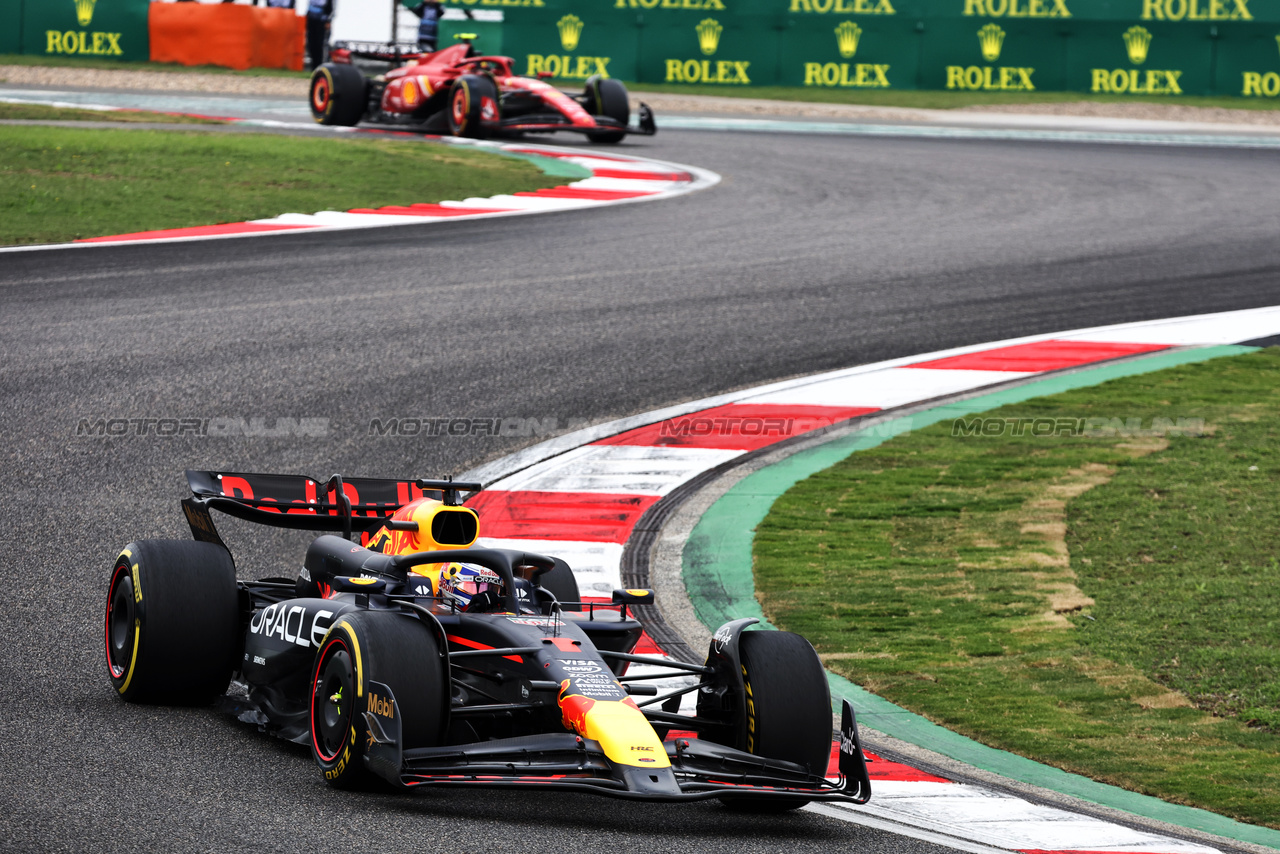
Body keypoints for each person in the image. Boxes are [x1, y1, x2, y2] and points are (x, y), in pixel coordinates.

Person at [306, 0, 334, 69]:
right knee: (311, 43)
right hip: (311, 19)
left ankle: (321, 66)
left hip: (322, 21)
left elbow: (331, 8)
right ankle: (313, 66)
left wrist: (328, 20)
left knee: (320, 44)